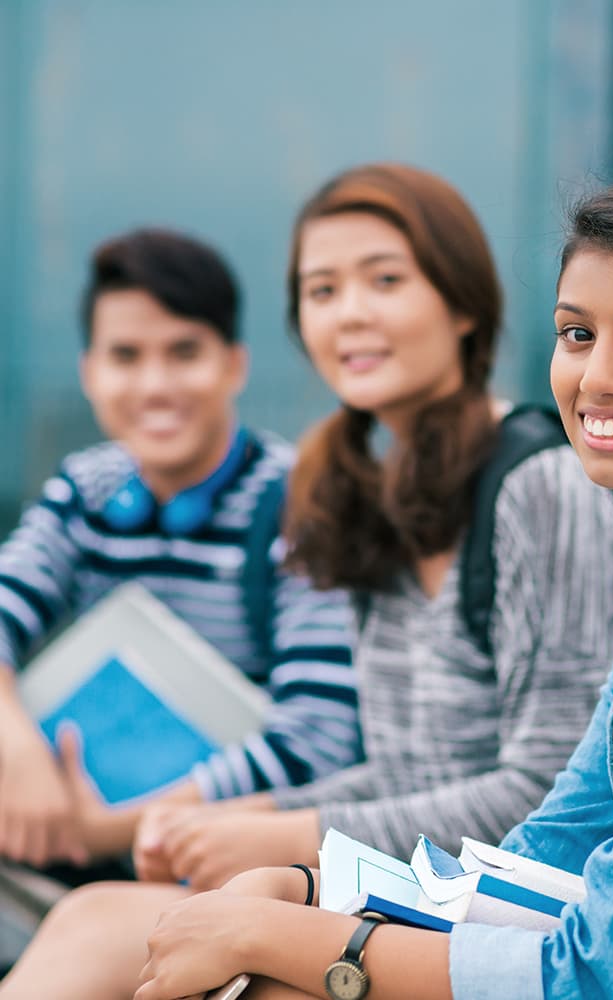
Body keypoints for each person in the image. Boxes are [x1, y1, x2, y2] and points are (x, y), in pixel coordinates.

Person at [92, 171, 613, 999]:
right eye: (576, 334)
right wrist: (314, 888)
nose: (598, 377)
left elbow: (609, 975)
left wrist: (305, 930)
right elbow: (545, 853)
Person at [0, 163, 613, 997]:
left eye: (384, 279)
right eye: (322, 289)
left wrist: (299, 834)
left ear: (460, 306)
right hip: (406, 890)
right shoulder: (367, 500)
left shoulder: (540, 484)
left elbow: (554, 788)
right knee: (97, 920)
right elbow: (406, 767)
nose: (351, 313)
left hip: (523, 924)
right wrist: (243, 822)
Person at [0, 228, 360, 874]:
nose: (155, 384)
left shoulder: (303, 504)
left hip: (226, 870)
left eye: (184, 352)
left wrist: (113, 829)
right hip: (55, 842)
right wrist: (18, 753)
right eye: (126, 356)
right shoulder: (84, 491)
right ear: (89, 373)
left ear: (234, 365)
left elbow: (318, 743)